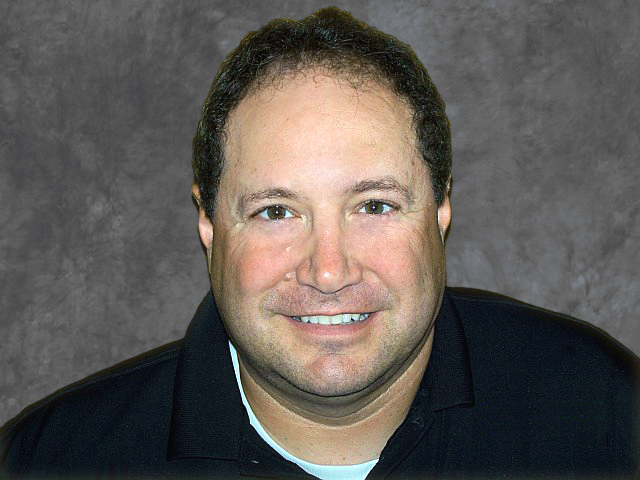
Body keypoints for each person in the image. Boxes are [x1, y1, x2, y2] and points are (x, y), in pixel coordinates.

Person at [1, 7, 638, 479]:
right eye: (277, 212)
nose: (328, 271)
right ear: (209, 225)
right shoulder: (49, 462)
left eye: (374, 206)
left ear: (441, 209)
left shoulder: (606, 417)